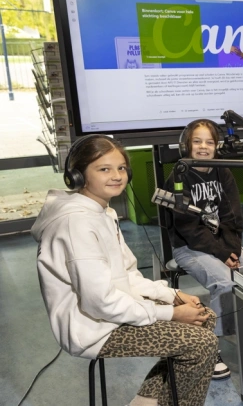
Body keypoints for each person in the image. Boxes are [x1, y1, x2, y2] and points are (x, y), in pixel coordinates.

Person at [34, 134, 218, 406]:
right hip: (94, 329)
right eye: (104, 169)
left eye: (121, 168)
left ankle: (146, 401)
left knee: (205, 316)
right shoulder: (76, 224)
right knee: (200, 344)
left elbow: (128, 275)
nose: (117, 176)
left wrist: (173, 296)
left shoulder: (102, 213)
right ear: (77, 175)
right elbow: (99, 302)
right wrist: (171, 314)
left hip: (112, 311)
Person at [163, 119, 243, 380]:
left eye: (209, 142)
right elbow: (189, 229)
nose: (203, 147)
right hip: (189, 247)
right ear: (186, 145)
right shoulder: (178, 177)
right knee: (225, 283)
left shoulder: (222, 171)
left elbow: (232, 217)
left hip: (222, 244)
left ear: (217, 146)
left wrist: (232, 250)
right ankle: (210, 348)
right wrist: (222, 255)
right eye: (197, 141)